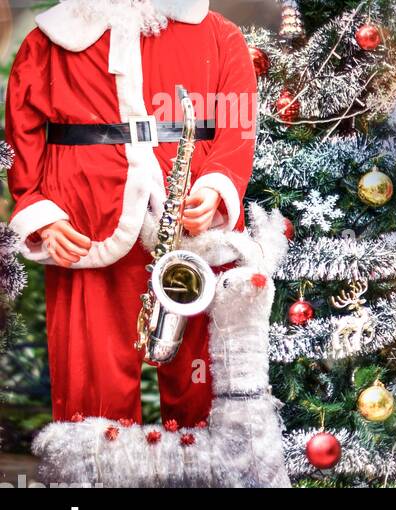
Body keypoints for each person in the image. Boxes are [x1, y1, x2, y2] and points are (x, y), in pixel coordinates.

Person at [5, 0, 256, 428]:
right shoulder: (50, 40)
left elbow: (238, 127)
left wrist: (216, 189)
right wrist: (40, 212)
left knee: (206, 389)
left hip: (192, 226)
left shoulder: (220, 35)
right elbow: (20, 134)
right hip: (82, 222)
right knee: (93, 398)